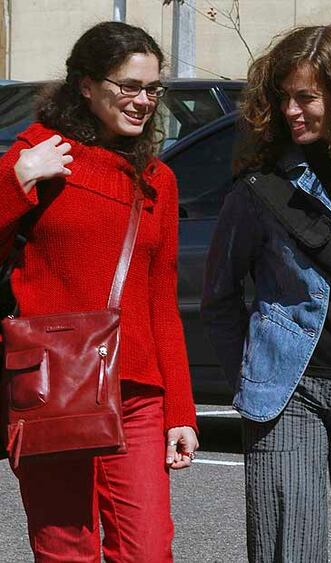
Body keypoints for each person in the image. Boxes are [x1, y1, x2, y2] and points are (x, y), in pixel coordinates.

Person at [201, 24, 331, 563]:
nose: (292, 110)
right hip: (284, 392)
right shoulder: (262, 184)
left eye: (306, 97)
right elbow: (221, 299)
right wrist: (250, 373)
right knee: (283, 551)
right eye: (283, 98)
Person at [0, 21, 198, 563]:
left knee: (148, 550)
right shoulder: (39, 151)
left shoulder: (158, 177)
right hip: (52, 385)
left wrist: (180, 409)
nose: (143, 101)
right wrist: (17, 179)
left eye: (153, 89)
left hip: (136, 392)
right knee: (66, 549)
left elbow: (162, 301)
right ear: (85, 85)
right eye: (128, 87)